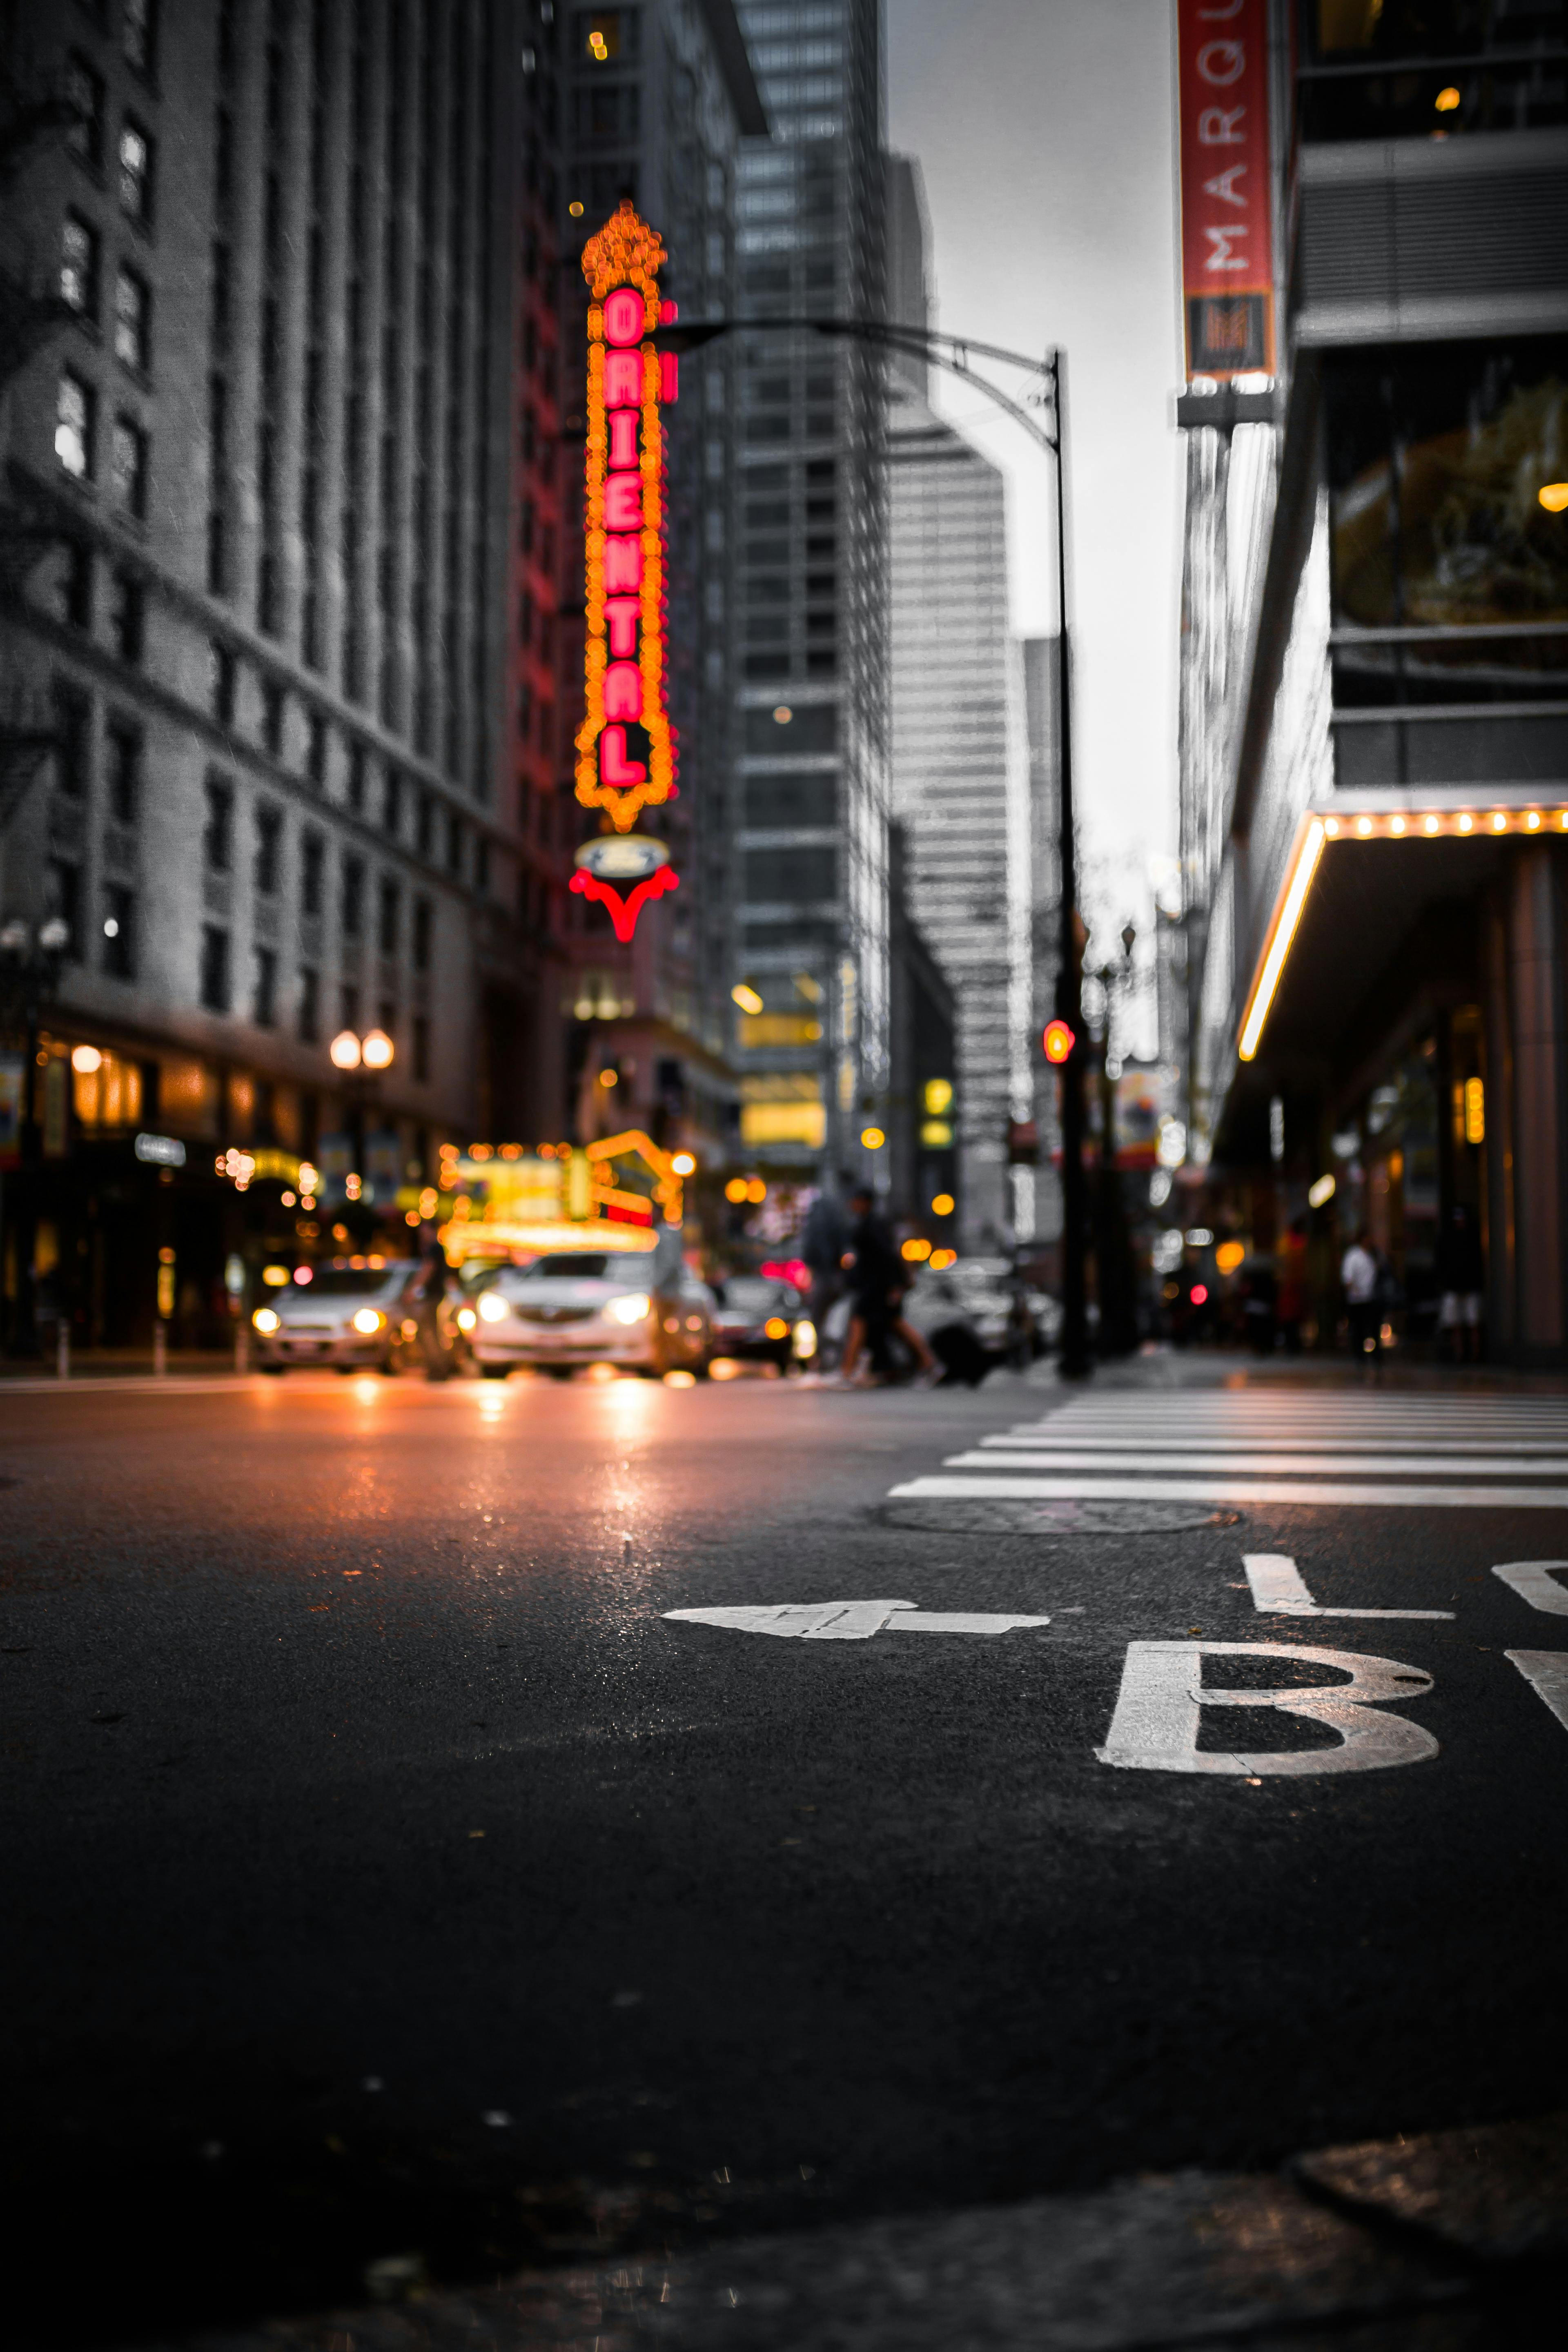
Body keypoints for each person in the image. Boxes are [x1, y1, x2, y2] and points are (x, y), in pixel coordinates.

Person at [838, 1187, 940, 1388]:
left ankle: (847, 1372)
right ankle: (930, 1364)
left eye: (856, 1200)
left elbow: (888, 1257)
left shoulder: (873, 1226)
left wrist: (895, 1286)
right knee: (894, 1324)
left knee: (862, 1323)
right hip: (876, 1286)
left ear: (865, 1202)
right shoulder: (868, 1224)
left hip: (877, 1287)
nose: (852, 1205)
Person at [800, 1172, 852, 1374]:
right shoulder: (839, 1215)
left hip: (824, 1277)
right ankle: (836, 1359)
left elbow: (812, 1249)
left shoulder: (818, 1216)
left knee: (819, 1318)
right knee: (841, 1318)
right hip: (837, 1276)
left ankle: (825, 1360)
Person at [1437, 1203, 1485, 1364]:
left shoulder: (1472, 1239)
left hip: (1470, 1287)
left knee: (1473, 1323)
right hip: (1453, 1287)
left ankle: (1474, 1354)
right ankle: (1460, 1354)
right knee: (1455, 1324)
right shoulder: (1448, 1239)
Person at [1341, 1227, 1380, 1374]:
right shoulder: (1353, 1256)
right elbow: (1347, 1278)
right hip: (1357, 1300)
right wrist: (1354, 1290)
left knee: (1372, 1328)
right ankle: (1359, 1356)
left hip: (1370, 1298)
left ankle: (1374, 1355)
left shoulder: (1372, 1255)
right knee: (1358, 1330)